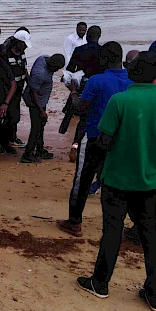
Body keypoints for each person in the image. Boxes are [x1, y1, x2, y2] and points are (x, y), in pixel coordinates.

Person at [77, 51, 156, 311]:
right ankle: (154, 293)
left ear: (134, 72)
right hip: (150, 181)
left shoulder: (119, 101)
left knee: (112, 232)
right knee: (150, 235)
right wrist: (154, 141)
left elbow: (103, 141)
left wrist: (121, 141)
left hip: (117, 179)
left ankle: (100, 283)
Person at [58, 42, 133, 236]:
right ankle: (117, 223)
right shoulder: (132, 81)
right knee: (115, 181)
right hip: (119, 139)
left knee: (82, 180)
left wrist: (73, 90)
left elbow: (80, 108)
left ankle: (74, 222)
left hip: (94, 137)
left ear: (105, 59)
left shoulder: (97, 80)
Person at [65, 25, 103, 158]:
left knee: (83, 118)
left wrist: (73, 88)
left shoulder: (79, 50)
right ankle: (96, 146)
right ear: (99, 36)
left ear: (87, 36)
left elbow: (70, 70)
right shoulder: (103, 51)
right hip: (99, 87)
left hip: (83, 86)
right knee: (99, 116)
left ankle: (75, 144)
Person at [21, 54, 66, 163]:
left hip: (41, 101)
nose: (56, 71)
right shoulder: (40, 73)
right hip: (35, 103)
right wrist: (41, 111)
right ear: (52, 65)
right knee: (36, 127)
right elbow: (33, 93)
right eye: (56, 69)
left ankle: (40, 150)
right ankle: (28, 154)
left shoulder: (42, 58)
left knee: (40, 126)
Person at [0, 28, 32, 148]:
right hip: (8, 90)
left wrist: (30, 84)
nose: (26, 47)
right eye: (24, 44)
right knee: (9, 115)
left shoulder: (21, 53)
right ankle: (8, 140)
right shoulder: (6, 54)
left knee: (15, 115)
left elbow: (24, 69)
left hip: (19, 89)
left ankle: (12, 138)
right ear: (18, 42)